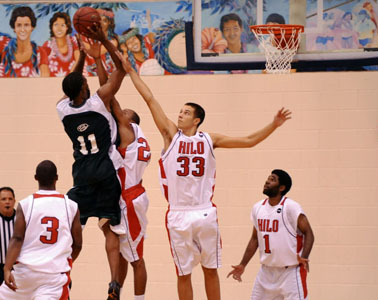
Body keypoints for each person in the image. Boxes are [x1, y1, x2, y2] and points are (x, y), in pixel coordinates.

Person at [119, 55, 292, 300]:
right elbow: (150, 99)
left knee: (211, 270)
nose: (180, 115)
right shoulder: (170, 134)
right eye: (180, 111)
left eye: (186, 113)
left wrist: (273, 125)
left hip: (203, 211)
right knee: (183, 273)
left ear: (196, 120)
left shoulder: (210, 140)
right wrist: (131, 72)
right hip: (178, 212)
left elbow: (249, 141)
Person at [56, 22, 127, 300]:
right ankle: (113, 282)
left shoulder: (62, 110)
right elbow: (121, 70)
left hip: (82, 174)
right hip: (105, 170)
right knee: (109, 226)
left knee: (75, 228)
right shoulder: (99, 101)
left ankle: (65, 272)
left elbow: (70, 82)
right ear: (85, 88)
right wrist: (101, 47)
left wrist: (83, 56)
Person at [88, 41, 151, 300]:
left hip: (129, 197)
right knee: (124, 252)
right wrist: (99, 60)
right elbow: (108, 98)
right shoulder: (128, 133)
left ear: (131, 121)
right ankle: (117, 291)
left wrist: (100, 59)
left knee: (137, 257)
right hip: (119, 195)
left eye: (125, 113)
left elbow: (111, 97)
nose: (120, 112)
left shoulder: (130, 131)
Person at [0, 160, 82, 300]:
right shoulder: (71, 205)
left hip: (26, 274)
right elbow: (78, 244)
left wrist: (7, 268)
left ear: (36, 178)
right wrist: (63, 261)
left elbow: (17, 238)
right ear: (56, 178)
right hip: (53, 276)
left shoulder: (25, 204)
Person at [227, 170, 314, 300]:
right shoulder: (258, 208)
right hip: (266, 272)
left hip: (290, 272)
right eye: (268, 178)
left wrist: (304, 257)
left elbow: (309, 233)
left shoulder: (291, 207)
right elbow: (255, 239)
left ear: (282, 188)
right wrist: (243, 264)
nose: (267, 181)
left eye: (272, 179)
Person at [0, 6, 49, 77]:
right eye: (19, 25)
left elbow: (46, 81)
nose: (22, 29)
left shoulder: (40, 52)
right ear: (14, 28)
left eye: (26, 25)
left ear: (32, 27)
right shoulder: (3, 43)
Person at [42, 12, 80, 77]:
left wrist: (70, 79)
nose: (59, 28)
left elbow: (78, 60)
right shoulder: (47, 45)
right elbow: (44, 68)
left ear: (67, 27)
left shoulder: (73, 41)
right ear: (52, 27)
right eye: (56, 25)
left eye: (62, 25)